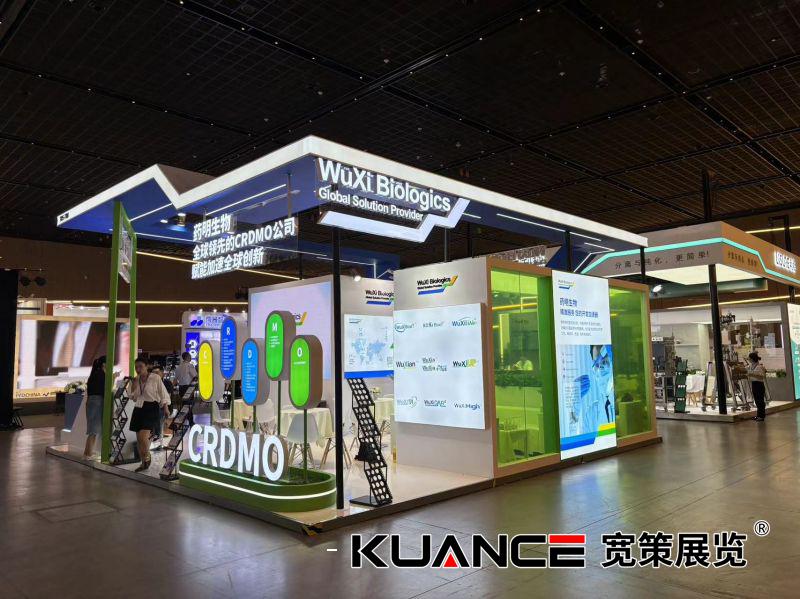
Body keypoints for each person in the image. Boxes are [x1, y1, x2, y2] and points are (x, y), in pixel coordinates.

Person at [129, 358, 171, 471]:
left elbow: (163, 393)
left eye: (140, 366)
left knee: (143, 437)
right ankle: (144, 462)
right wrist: (134, 383)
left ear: (146, 366)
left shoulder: (155, 377)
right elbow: (133, 397)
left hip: (151, 408)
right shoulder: (137, 379)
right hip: (138, 408)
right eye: (136, 367)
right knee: (139, 438)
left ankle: (147, 457)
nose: (138, 369)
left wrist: (166, 408)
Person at [83, 356, 117, 459]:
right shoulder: (101, 375)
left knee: (93, 429)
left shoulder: (96, 374)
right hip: (97, 402)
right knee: (94, 430)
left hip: (92, 402)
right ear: (104, 364)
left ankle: (87, 453)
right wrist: (113, 378)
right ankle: (87, 454)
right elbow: (107, 389)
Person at [747, 351, 767, 421]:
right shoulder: (751, 366)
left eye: (749, 358)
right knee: (757, 401)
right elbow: (746, 369)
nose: (748, 359)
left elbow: (762, 376)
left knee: (760, 401)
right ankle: (758, 415)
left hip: (759, 384)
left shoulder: (759, 366)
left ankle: (761, 416)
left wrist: (752, 373)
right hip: (754, 384)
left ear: (752, 359)